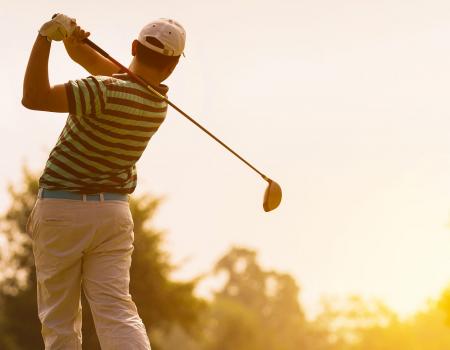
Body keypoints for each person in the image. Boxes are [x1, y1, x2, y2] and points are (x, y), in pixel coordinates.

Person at [22, 13, 186, 349]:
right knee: (117, 311)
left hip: (60, 210)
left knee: (60, 320)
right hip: (112, 213)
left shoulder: (100, 90)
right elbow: (114, 72)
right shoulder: (158, 102)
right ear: (172, 68)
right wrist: (73, 45)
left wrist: (44, 38)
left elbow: (34, 97)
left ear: (133, 47)